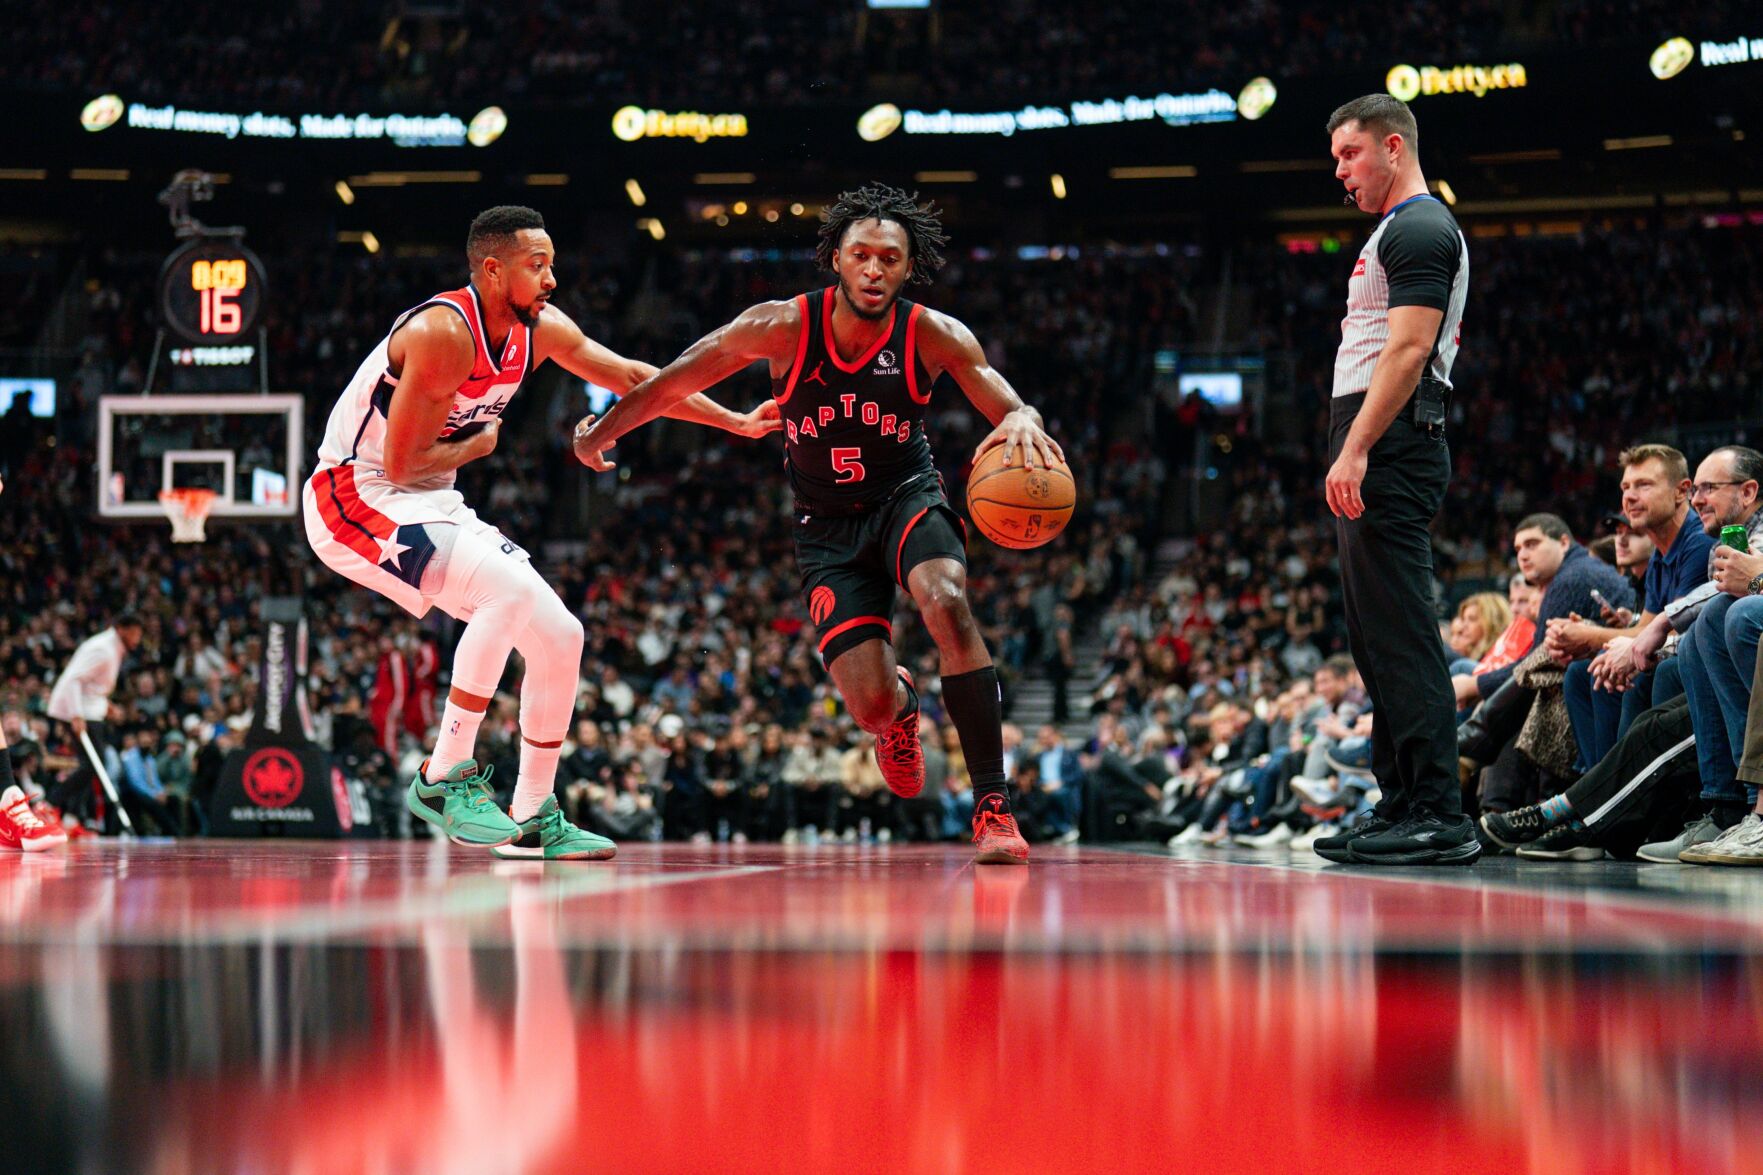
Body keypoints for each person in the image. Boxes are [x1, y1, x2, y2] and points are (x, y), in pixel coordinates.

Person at [573, 184, 1066, 864]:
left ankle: (993, 805)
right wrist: (601, 431)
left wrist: (1023, 417)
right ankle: (899, 712)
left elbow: (1007, 402)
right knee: (869, 707)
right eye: (860, 255)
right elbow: (674, 381)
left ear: (908, 267)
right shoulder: (780, 326)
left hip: (906, 497)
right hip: (825, 528)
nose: (873, 270)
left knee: (946, 600)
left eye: (889, 258)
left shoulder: (933, 333)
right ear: (836, 258)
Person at [303, 205, 778, 860]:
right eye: (537, 265)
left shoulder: (540, 330)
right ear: (493, 271)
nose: (552, 278)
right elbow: (404, 463)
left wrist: (735, 421)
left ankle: (531, 814)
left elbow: (634, 377)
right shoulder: (443, 332)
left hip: (426, 499)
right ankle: (443, 774)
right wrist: (479, 445)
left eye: (551, 263)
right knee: (507, 591)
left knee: (560, 637)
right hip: (355, 494)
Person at [1316, 95, 1476, 865]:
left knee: (1403, 632)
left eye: (1348, 154)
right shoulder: (1394, 230)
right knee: (1375, 638)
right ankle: (1400, 801)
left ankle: (1437, 811)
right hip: (1378, 436)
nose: (1339, 172)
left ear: (1391, 146)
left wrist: (1356, 448)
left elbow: (1408, 350)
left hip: (1391, 440)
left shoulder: (1418, 225)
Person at [47, 612, 144, 831]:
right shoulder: (103, 648)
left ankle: (71, 818)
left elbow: (93, 686)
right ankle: (50, 803)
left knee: (91, 766)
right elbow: (74, 680)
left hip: (89, 710)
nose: (137, 639)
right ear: (122, 629)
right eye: (135, 633)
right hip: (80, 711)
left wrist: (105, 705)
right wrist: (76, 714)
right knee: (93, 764)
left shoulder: (112, 647)